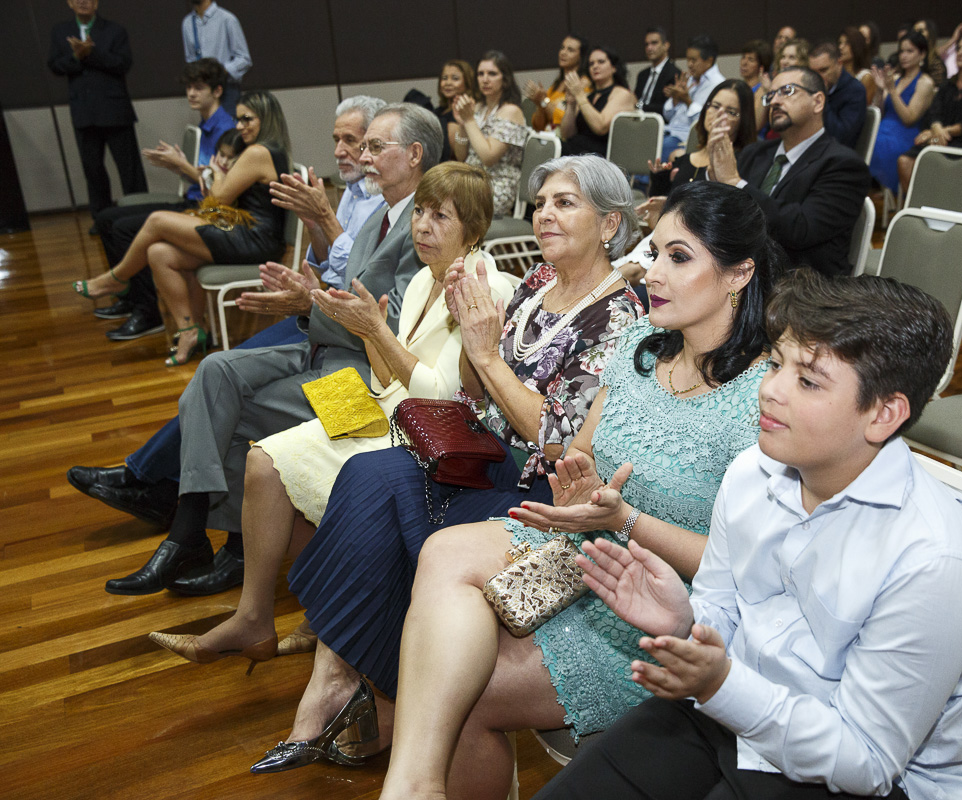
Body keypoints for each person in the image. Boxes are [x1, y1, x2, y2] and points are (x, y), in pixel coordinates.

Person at [375, 180, 777, 800]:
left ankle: (412, 785)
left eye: (679, 257)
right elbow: (578, 454)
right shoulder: (643, 343)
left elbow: (745, 568)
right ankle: (413, 787)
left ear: (738, 274)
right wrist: (579, 489)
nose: (653, 272)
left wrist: (622, 521)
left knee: (462, 691)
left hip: (665, 603)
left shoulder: (765, 398)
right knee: (444, 552)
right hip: (588, 545)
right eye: (656, 253)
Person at [536, 269, 962, 800]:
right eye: (776, 364)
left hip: (864, 776)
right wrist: (685, 623)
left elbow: (866, 760)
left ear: (883, 413)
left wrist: (721, 686)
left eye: (807, 381)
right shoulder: (755, 470)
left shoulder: (936, 557)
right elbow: (725, 612)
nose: (769, 390)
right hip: (737, 710)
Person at [247, 155, 643, 774]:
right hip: (475, 451)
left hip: (535, 482)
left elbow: (561, 440)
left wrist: (486, 355)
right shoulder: (536, 281)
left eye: (566, 203)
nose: (544, 214)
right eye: (541, 202)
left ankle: (370, 693)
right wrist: (474, 343)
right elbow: (470, 395)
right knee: (367, 476)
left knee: (397, 513)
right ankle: (347, 685)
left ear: (611, 223)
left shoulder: (620, 317)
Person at [148, 162, 518, 666]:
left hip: (430, 438)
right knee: (264, 459)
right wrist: (367, 331)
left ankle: (325, 616)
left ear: (473, 231)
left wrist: (375, 331)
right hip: (382, 405)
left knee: (304, 468)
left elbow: (447, 401)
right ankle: (255, 617)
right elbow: (386, 379)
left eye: (441, 216)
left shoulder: (485, 287)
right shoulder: (419, 283)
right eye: (422, 213)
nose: (423, 226)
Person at [95, 103, 442, 596]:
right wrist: (308, 295)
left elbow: (391, 328)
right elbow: (348, 292)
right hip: (326, 347)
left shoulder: (424, 226)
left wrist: (310, 301)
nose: (362, 155)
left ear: (414, 155)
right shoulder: (382, 213)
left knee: (235, 417)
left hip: (367, 385)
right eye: (360, 145)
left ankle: (212, 539)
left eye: (373, 146)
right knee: (214, 372)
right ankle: (195, 532)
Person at [71, 90, 292, 366]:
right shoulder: (268, 150)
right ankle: (190, 330)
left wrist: (218, 174)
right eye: (238, 119)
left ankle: (116, 278)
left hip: (254, 240)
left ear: (266, 118)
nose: (239, 126)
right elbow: (218, 201)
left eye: (247, 119)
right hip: (245, 234)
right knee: (159, 253)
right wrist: (215, 177)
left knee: (156, 221)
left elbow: (216, 200)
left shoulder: (258, 152)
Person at [94, 57, 235, 341]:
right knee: (106, 219)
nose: (191, 94)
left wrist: (181, 166)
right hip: (193, 200)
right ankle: (130, 295)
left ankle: (146, 311)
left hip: (204, 208)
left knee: (123, 228)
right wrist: (178, 166)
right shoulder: (206, 123)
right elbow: (202, 175)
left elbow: (220, 187)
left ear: (217, 91)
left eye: (198, 88)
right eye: (189, 88)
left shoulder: (226, 129)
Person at [709, 67, 870, 277]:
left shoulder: (843, 165)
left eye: (787, 91)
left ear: (818, 101)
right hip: (743, 274)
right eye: (771, 95)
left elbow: (801, 229)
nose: (775, 101)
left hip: (801, 288)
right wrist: (714, 179)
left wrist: (734, 182)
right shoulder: (755, 153)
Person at [47, 0, 148, 227]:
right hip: (83, 111)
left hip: (114, 109)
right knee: (93, 170)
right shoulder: (60, 31)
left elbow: (122, 63)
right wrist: (76, 57)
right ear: (70, 3)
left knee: (129, 169)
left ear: (97, 3)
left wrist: (90, 53)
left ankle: (140, 215)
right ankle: (102, 220)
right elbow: (54, 65)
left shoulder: (115, 30)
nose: (83, 2)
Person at [643, 80, 757, 226]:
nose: (719, 115)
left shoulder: (743, 163)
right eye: (715, 106)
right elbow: (659, 205)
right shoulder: (683, 160)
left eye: (731, 112)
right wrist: (659, 178)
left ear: (743, 120)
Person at [898, 33, 962, 196]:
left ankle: (935, 207)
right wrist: (935, 129)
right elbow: (933, 114)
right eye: (958, 49)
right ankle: (917, 210)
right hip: (941, 139)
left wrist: (940, 133)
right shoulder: (948, 85)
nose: (960, 53)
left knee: (930, 152)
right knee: (904, 161)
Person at [449, 51, 529, 217]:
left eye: (492, 74)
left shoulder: (511, 111)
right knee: (434, 194)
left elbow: (489, 157)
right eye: (480, 74)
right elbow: (461, 156)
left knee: (445, 205)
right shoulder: (478, 107)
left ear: (505, 79)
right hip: (471, 181)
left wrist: (469, 120)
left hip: (496, 185)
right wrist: (462, 125)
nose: (485, 79)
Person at [870, 32, 936, 194]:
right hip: (884, 128)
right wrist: (880, 90)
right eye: (901, 51)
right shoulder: (896, 77)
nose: (904, 56)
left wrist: (891, 90)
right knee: (863, 138)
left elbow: (909, 118)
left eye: (910, 51)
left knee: (874, 144)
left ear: (922, 54)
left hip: (905, 135)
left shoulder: (925, 83)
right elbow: (880, 112)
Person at [560, 46, 637, 157]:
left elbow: (600, 127)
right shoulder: (588, 96)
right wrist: (571, 104)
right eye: (591, 64)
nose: (595, 66)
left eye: (601, 62)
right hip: (578, 151)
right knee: (554, 145)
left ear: (614, 68)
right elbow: (567, 134)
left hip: (601, 155)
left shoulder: (621, 94)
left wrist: (580, 95)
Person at [661, 35, 725, 158]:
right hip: (670, 131)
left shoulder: (718, 85)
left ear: (709, 61)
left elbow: (705, 121)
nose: (689, 65)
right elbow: (667, 115)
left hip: (688, 139)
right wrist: (675, 99)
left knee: (661, 145)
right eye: (688, 60)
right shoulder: (689, 80)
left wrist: (687, 101)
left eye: (694, 60)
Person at [183, 0, 251, 114]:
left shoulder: (227, 19)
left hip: (227, 89)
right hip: (204, 91)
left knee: (229, 129)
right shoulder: (188, 23)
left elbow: (244, 59)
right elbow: (190, 60)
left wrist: (221, 71)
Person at [807, 43, 867, 149]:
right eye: (813, 72)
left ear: (839, 64)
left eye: (823, 70)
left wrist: (822, 98)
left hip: (836, 155)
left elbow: (841, 137)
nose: (818, 78)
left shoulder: (855, 90)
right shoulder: (809, 87)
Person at [525, 35, 590, 132]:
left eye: (570, 50)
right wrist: (540, 104)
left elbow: (567, 122)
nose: (563, 53)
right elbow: (538, 126)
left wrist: (544, 101)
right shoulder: (557, 84)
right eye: (562, 48)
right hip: (547, 140)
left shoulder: (583, 83)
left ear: (581, 56)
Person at [634, 26, 680, 118]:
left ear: (666, 45)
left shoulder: (674, 74)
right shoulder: (642, 75)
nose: (649, 48)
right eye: (646, 44)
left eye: (654, 43)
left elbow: (666, 108)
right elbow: (635, 99)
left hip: (659, 124)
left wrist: (639, 106)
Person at [435, 59, 479, 133]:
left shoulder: (467, 111)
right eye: (444, 78)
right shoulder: (438, 111)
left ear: (467, 82)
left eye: (455, 78)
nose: (448, 83)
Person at [739, 39, 773, 130]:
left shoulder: (762, 90)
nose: (744, 63)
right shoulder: (739, 87)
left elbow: (755, 126)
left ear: (761, 66)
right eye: (743, 57)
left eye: (751, 59)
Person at [839, 27, 875, 104]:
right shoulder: (837, 74)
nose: (841, 47)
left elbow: (861, 108)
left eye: (847, 43)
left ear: (856, 46)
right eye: (840, 43)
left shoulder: (866, 77)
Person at [912, 19, 947, 84]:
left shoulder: (936, 64)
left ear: (930, 34)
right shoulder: (910, 59)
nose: (916, 35)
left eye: (920, 31)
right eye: (914, 32)